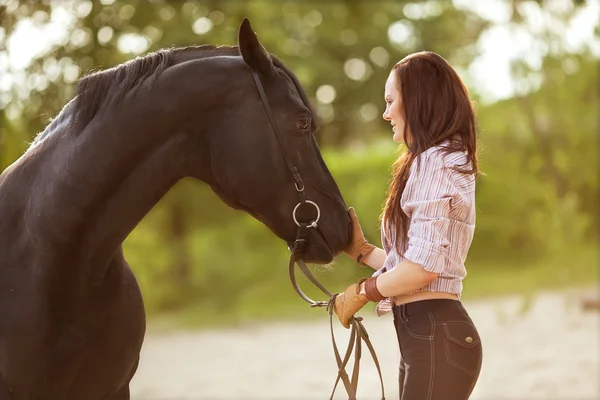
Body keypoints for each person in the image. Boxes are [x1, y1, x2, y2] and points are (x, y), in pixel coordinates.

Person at [333, 51, 483, 399]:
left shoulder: (435, 162)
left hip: (435, 336)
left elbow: (422, 270)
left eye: (390, 101)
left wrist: (363, 292)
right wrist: (365, 253)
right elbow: (415, 262)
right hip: (429, 336)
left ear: (417, 99)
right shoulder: (437, 159)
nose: (385, 113)